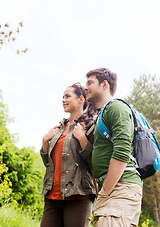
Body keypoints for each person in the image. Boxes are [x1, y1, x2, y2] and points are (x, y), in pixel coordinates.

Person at [85, 68, 143, 227]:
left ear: (104, 85)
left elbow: (122, 151)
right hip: (112, 190)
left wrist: (104, 193)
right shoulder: (101, 115)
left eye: (90, 82)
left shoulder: (116, 107)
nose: (85, 87)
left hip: (121, 188)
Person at [40, 83, 96, 227]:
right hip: (52, 196)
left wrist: (83, 140)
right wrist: (45, 141)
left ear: (81, 99)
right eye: (62, 97)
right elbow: (49, 164)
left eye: (67, 96)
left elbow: (94, 162)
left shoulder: (89, 127)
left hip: (78, 196)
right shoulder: (58, 129)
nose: (63, 100)